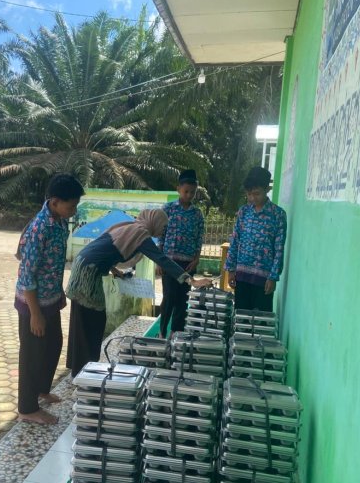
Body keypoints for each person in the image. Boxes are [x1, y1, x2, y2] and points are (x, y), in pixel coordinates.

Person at [65, 209, 212, 376]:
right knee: (92, 320)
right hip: (89, 272)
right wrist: (191, 280)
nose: (163, 231)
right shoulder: (140, 234)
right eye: (163, 227)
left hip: (82, 263)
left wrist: (115, 270)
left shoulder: (129, 227)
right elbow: (162, 259)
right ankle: (84, 371)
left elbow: (104, 246)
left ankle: (77, 366)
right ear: (155, 222)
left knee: (81, 317)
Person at [15, 173, 85, 425]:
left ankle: (41, 390)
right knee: (32, 354)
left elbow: (53, 262)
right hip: (33, 302)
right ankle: (27, 408)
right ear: (55, 202)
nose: (74, 211)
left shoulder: (59, 222)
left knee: (54, 343)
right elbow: (26, 275)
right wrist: (35, 314)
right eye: (71, 206)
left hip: (51, 297)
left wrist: (57, 293)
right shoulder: (39, 228)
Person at [224, 166, 287, 312]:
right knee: (241, 318)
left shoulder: (278, 215)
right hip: (242, 277)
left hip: (264, 280)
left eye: (257, 194)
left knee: (260, 320)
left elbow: (279, 249)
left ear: (267, 189)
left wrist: (273, 277)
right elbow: (235, 241)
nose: (252, 198)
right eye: (249, 194)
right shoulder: (243, 212)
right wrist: (231, 270)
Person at [157, 169, 204, 338]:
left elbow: (199, 238)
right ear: (178, 189)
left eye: (192, 192)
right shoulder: (168, 209)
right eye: (186, 191)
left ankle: (176, 333)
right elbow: (161, 235)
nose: (189, 195)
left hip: (188, 264)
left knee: (182, 300)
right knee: (169, 298)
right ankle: (162, 332)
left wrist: (196, 259)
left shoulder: (197, 214)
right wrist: (159, 261)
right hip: (169, 262)